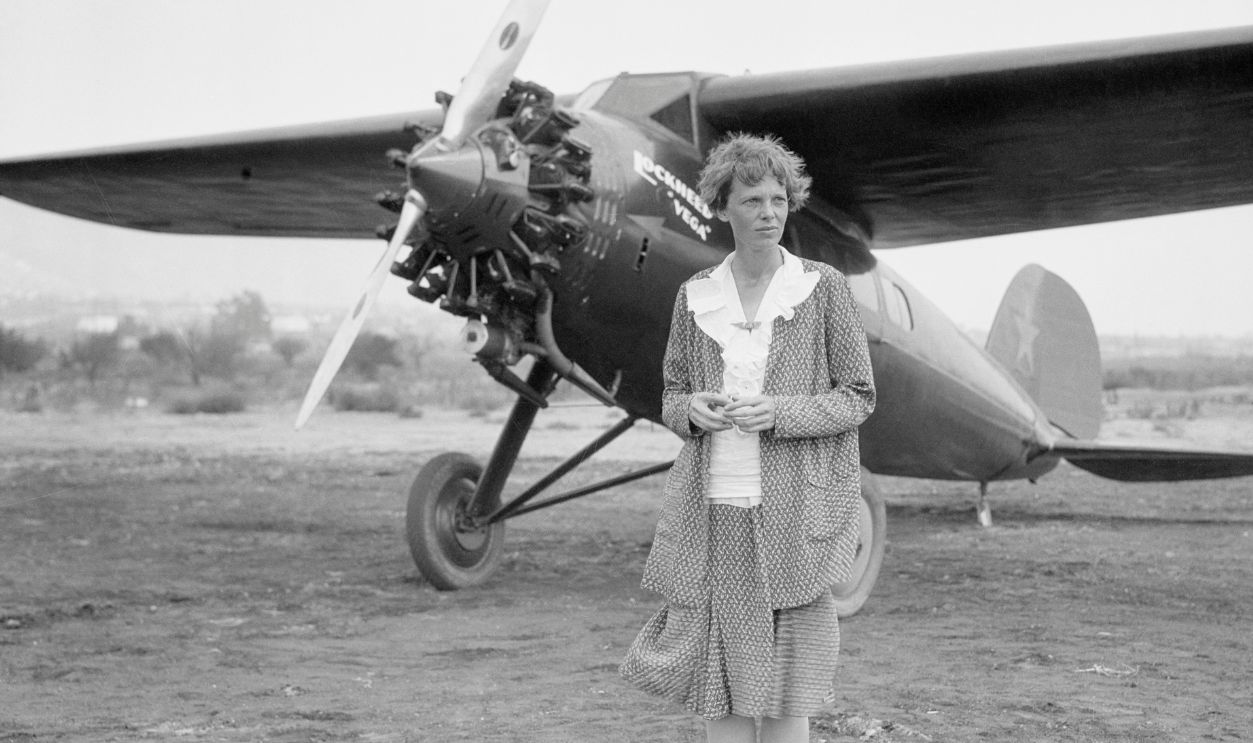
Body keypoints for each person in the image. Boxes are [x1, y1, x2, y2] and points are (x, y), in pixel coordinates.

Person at [620, 133, 876, 743]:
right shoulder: (695, 296)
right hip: (716, 509)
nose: (769, 213)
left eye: (778, 200)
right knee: (719, 676)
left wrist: (779, 413)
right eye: (753, 200)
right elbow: (671, 395)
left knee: (790, 685)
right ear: (722, 208)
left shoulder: (822, 288)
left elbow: (858, 396)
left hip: (797, 511)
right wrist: (692, 410)